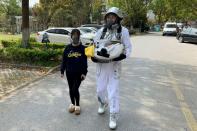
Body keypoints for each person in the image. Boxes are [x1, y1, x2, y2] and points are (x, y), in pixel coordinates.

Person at [91, 7, 132, 129]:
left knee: (113, 91)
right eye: (108, 17)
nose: (110, 19)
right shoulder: (101, 31)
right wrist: (93, 57)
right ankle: (103, 103)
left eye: (113, 17)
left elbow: (128, 48)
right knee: (100, 90)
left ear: (118, 18)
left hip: (114, 65)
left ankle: (113, 114)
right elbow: (94, 45)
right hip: (101, 65)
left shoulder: (123, 31)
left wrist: (122, 56)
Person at [61, 29, 88, 115]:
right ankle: (72, 104)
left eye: (77, 35)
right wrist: (62, 70)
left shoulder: (83, 48)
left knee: (75, 88)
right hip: (69, 72)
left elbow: (85, 62)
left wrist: (84, 73)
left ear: (79, 36)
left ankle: (78, 106)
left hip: (79, 74)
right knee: (70, 89)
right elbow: (64, 60)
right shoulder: (67, 48)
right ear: (71, 36)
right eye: (73, 35)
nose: (75, 37)